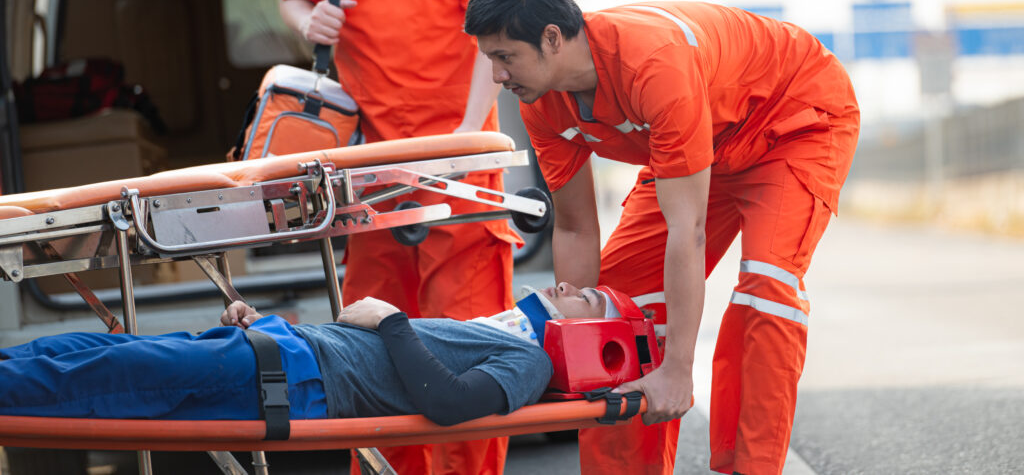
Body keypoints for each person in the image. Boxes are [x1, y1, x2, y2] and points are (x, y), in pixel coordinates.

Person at [464, 0, 861, 475]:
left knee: (767, 283)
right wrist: (572, 347)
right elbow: (576, 226)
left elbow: (687, 232)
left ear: (553, 38)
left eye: (505, 57)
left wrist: (677, 369)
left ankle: (752, 466)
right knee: (621, 299)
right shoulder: (543, 102)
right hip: (698, 149)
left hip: (792, 121)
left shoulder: (652, 64)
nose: (496, 76)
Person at [275, 0, 517, 470]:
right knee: (374, 349)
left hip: (457, 174)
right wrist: (308, 22)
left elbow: (493, 36)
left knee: (465, 346)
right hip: (368, 173)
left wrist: (469, 134)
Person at [0, 284, 628, 426]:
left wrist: (391, 319)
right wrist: (263, 322)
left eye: (588, 297)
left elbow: (449, 403)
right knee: (90, 349)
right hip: (280, 348)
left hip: (295, 379)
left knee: (109, 375)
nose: (568, 286)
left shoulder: (532, 365)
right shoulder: (498, 332)